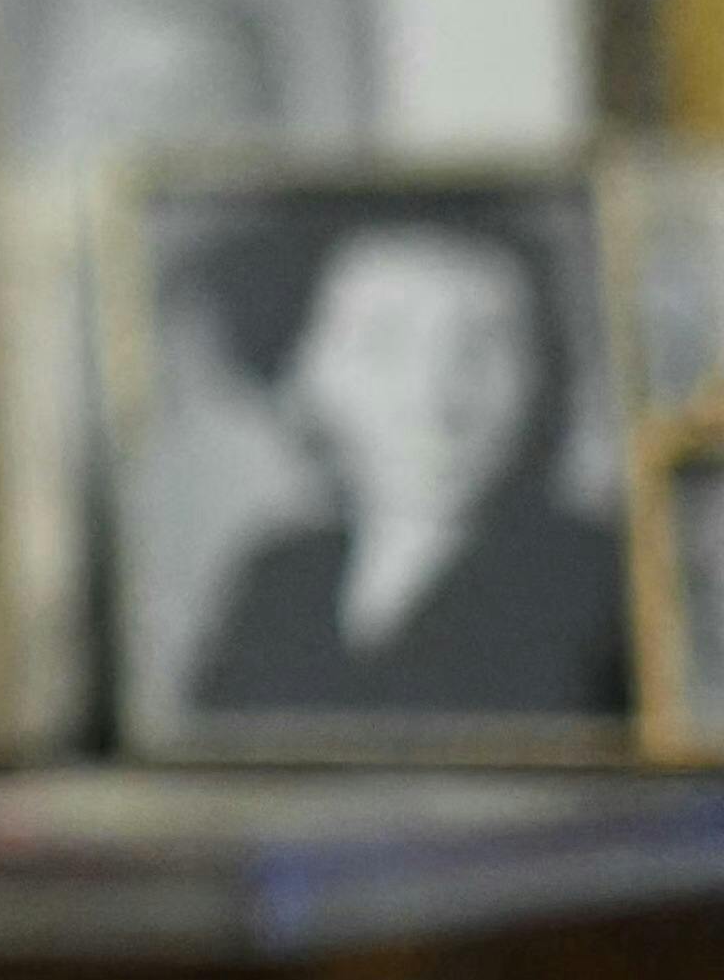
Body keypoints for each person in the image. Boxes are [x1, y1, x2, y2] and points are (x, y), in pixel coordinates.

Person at [182, 211, 626, 729]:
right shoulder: (280, 580)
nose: (437, 399)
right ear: (303, 373)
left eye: (485, 344)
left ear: (545, 374)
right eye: (385, 344)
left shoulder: (596, 579)